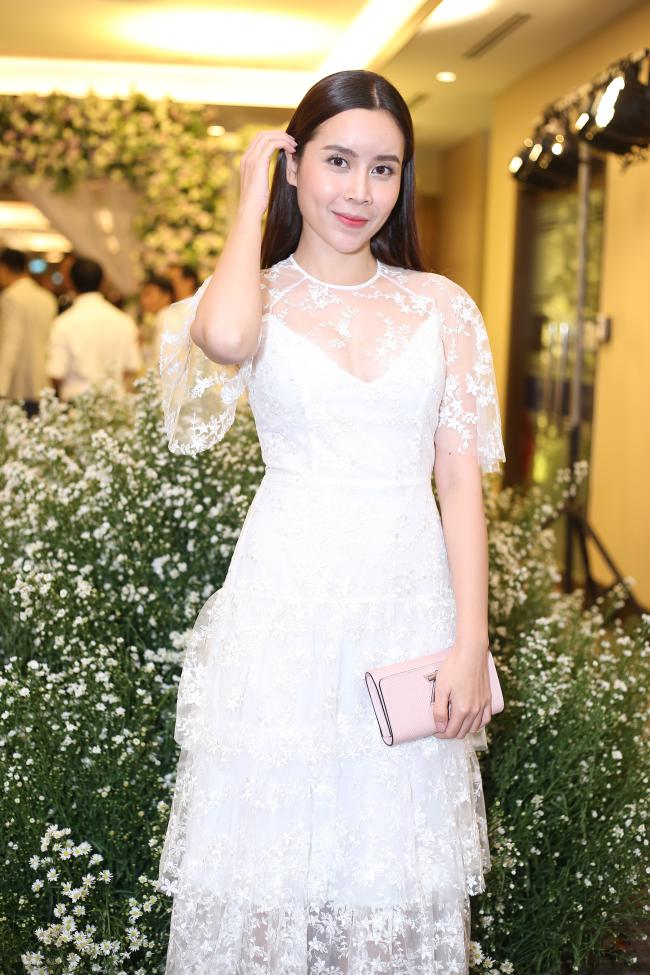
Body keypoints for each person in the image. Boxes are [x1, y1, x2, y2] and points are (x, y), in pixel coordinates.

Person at [157, 69, 506, 974]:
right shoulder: (258, 295)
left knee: (391, 869)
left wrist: (472, 641)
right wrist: (248, 202)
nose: (359, 190)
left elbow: (460, 482)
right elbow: (224, 340)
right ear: (294, 165)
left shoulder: (442, 306)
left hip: (408, 608)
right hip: (284, 610)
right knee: (267, 870)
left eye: (383, 168)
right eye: (338, 161)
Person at [46, 257, 142, 401]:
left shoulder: (64, 323)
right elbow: (132, 367)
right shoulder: (123, 321)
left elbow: (56, 373)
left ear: (70, 283)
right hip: (114, 404)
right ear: (104, 282)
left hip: (77, 404)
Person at [0, 247, 58, 417]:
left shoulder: (11, 297)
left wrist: (1, 386)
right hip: (43, 381)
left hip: (19, 384)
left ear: (4, 268)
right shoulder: (47, 297)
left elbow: (11, 342)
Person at [139, 273, 175, 371]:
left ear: (166, 296)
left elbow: (161, 359)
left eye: (148, 294)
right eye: (142, 295)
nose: (143, 300)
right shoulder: (166, 315)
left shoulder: (165, 317)